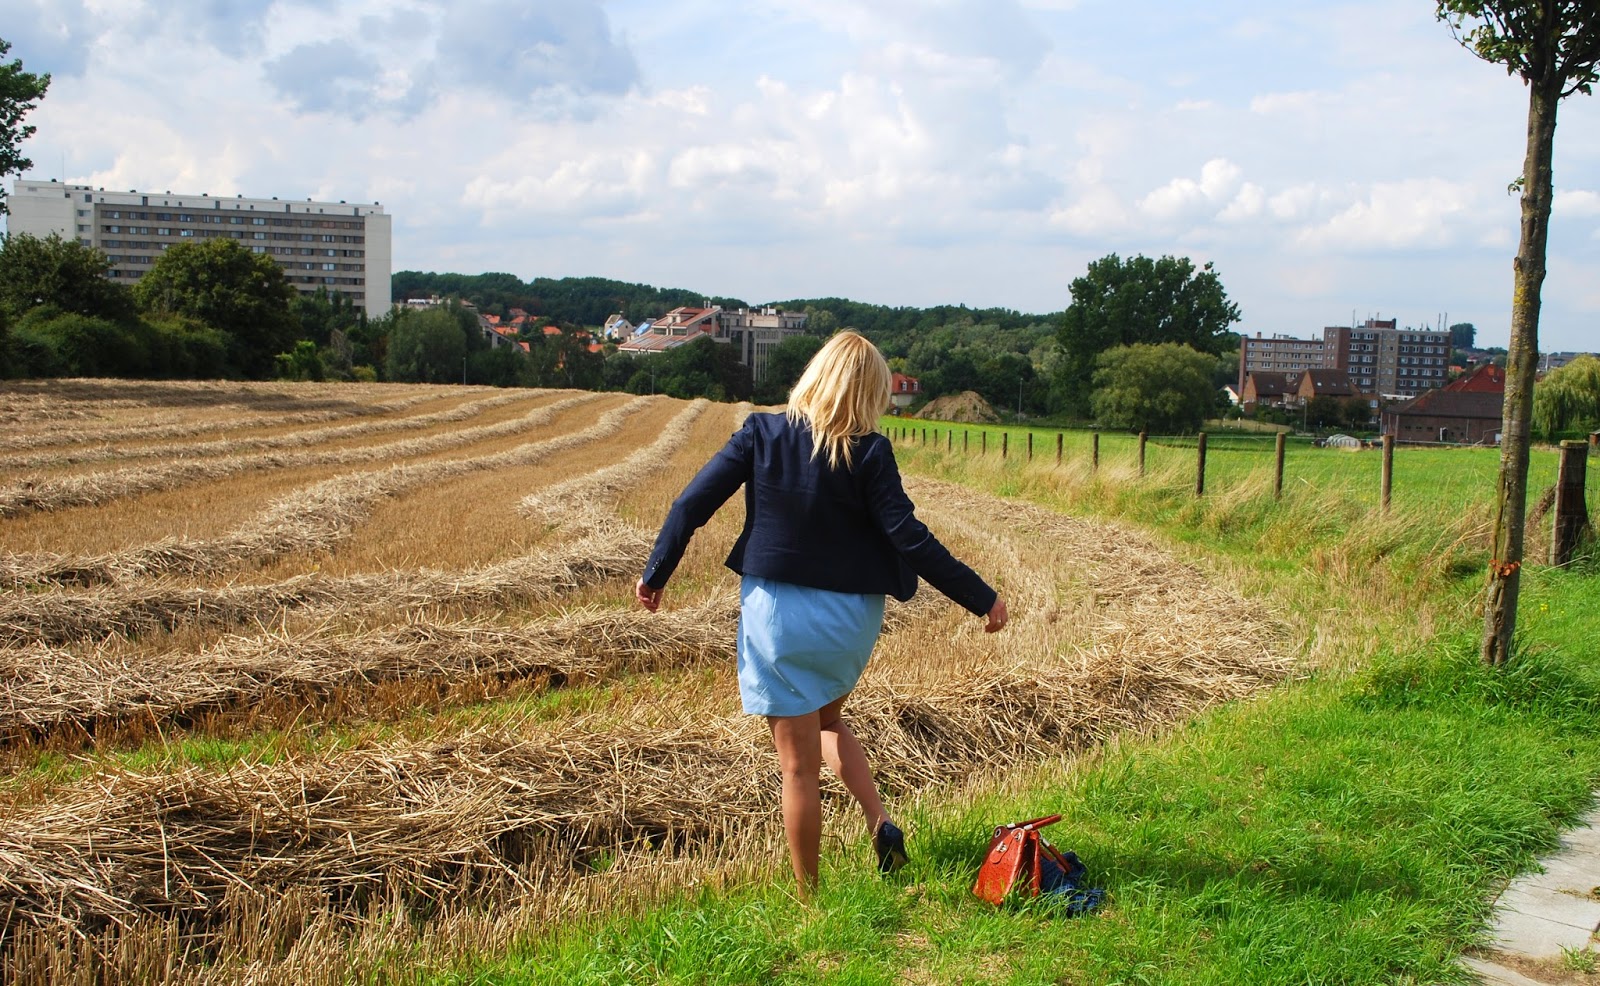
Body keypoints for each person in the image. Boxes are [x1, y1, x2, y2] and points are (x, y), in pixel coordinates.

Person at [635, 330, 1008, 894]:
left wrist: (656, 572)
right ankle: (879, 821)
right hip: (850, 623)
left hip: (779, 618)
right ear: (868, 393)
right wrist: (982, 596)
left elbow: (691, 504)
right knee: (827, 720)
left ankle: (810, 902)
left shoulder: (761, 433)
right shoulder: (872, 451)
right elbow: (909, 538)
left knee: (798, 768)